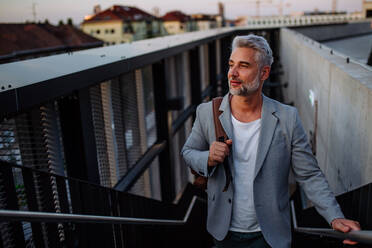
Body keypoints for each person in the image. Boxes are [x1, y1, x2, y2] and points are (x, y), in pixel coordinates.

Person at [181, 34, 360, 248]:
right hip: (222, 233)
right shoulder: (207, 112)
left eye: (243, 66)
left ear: (264, 72)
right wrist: (208, 158)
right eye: (231, 65)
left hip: (269, 236)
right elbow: (188, 152)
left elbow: (309, 175)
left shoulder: (287, 118)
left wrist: (335, 217)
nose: (233, 73)